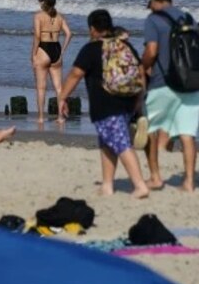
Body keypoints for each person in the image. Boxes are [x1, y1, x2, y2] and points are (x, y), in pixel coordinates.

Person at [57, 10, 149, 198]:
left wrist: (62, 97)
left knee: (121, 143)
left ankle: (140, 185)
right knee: (107, 142)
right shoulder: (125, 46)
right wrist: (139, 100)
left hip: (105, 104)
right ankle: (107, 185)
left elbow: (75, 74)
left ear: (92, 29)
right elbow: (141, 72)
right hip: (128, 101)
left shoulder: (91, 49)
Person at [141, 0, 199, 192]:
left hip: (163, 82)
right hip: (191, 82)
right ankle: (189, 182)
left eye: (150, 5)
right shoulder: (189, 18)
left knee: (150, 129)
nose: (150, 9)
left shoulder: (153, 20)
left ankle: (156, 177)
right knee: (187, 134)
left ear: (155, 2)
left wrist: (143, 67)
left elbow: (151, 50)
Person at [30, 0, 73, 123]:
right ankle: (60, 118)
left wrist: (33, 53)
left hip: (43, 49)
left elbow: (37, 36)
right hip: (56, 49)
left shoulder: (38, 16)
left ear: (43, 2)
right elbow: (69, 34)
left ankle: (41, 118)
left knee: (41, 87)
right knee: (59, 87)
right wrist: (63, 50)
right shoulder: (60, 17)